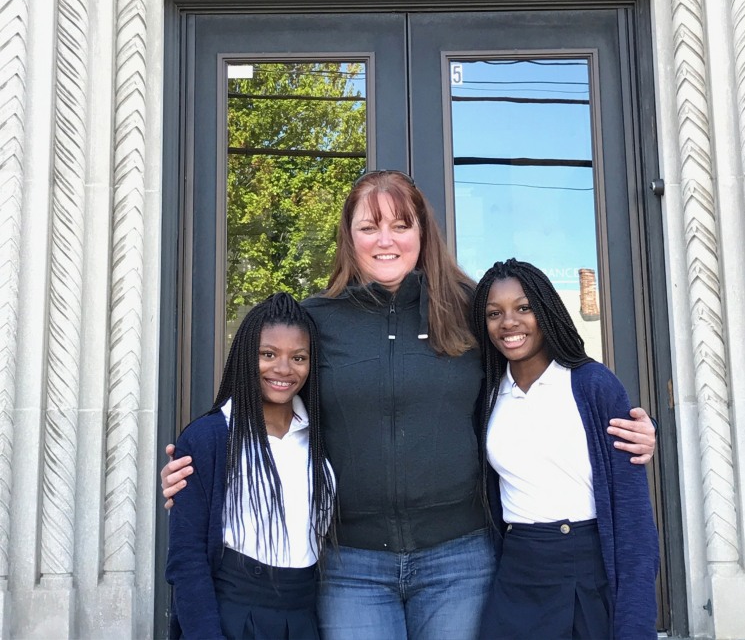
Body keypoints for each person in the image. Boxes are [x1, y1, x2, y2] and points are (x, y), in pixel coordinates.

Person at [163, 171, 658, 640]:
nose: (386, 240)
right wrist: (202, 467)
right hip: (351, 565)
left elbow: (538, 369)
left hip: (460, 558)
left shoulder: (470, 308)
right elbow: (269, 397)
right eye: (370, 226)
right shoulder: (317, 320)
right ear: (349, 236)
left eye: (402, 225)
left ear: (423, 232)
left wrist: (618, 422)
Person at [472, 259, 659, 640]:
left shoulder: (592, 385)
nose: (509, 323)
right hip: (518, 568)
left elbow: (632, 515)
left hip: (585, 565)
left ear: (546, 310)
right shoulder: (487, 395)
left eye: (524, 308)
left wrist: (636, 622)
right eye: (495, 313)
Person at [165, 292, 335, 640]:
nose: (284, 369)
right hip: (232, 616)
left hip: (304, 616)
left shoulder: (322, 438)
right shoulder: (209, 438)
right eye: (268, 354)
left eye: (298, 357)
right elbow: (187, 557)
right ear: (246, 356)